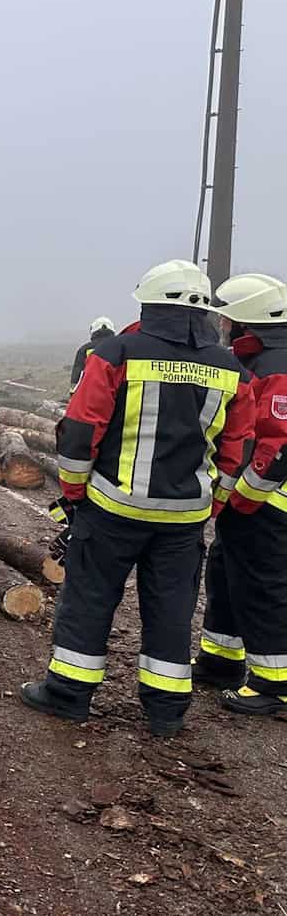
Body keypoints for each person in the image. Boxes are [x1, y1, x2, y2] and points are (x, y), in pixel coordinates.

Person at [21, 260, 255, 736]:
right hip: (185, 517)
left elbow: (81, 429)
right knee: (171, 608)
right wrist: (211, 504)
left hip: (110, 508)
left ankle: (68, 694)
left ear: (148, 305)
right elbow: (238, 448)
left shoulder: (116, 352)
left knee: (89, 598)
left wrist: (74, 493)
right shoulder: (232, 369)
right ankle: (166, 710)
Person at [193, 274, 287, 714]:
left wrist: (244, 496)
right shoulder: (261, 360)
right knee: (227, 574)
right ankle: (221, 659)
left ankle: (275, 685)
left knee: (262, 587)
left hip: (269, 504)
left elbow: (278, 445)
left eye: (228, 319)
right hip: (249, 502)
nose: (223, 326)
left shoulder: (278, 367)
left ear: (249, 322)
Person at [70, 316, 116, 392]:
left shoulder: (84, 350)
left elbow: (77, 379)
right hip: (115, 395)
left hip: (91, 396)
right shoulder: (120, 348)